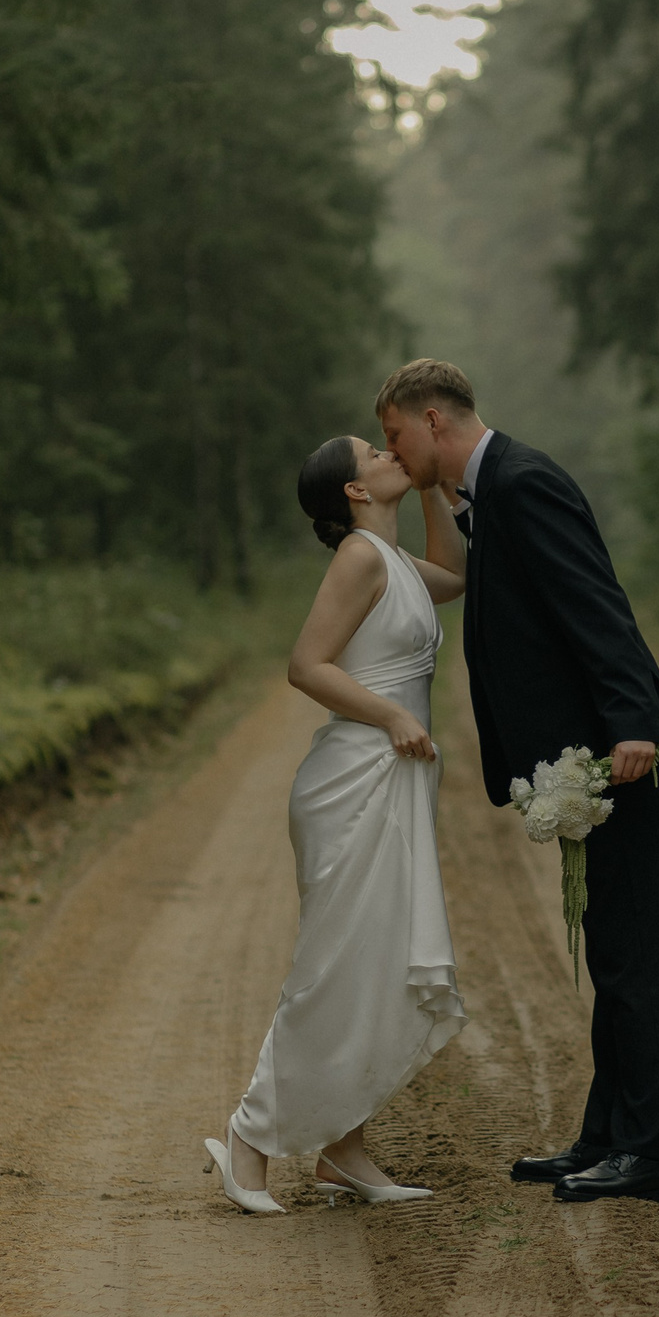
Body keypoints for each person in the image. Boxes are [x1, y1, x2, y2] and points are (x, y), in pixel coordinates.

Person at [375, 359, 659, 1205]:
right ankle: (607, 1133)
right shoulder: (491, 488)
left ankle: (649, 1154)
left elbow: (596, 601)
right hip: (584, 756)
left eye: (396, 436)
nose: (393, 454)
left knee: (635, 954)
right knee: (612, 946)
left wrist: (632, 721)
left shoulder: (524, 480)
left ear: (433, 420)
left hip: (612, 751)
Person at [206, 435, 470, 1215]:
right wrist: (391, 712)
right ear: (354, 491)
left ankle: (344, 1150)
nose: (390, 450)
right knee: (333, 964)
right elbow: (306, 664)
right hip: (354, 775)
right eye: (376, 452)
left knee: (377, 961)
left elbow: (455, 575)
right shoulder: (357, 557)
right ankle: (249, 1140)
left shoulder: (392, 561)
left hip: (397, 775)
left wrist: (427, 485)